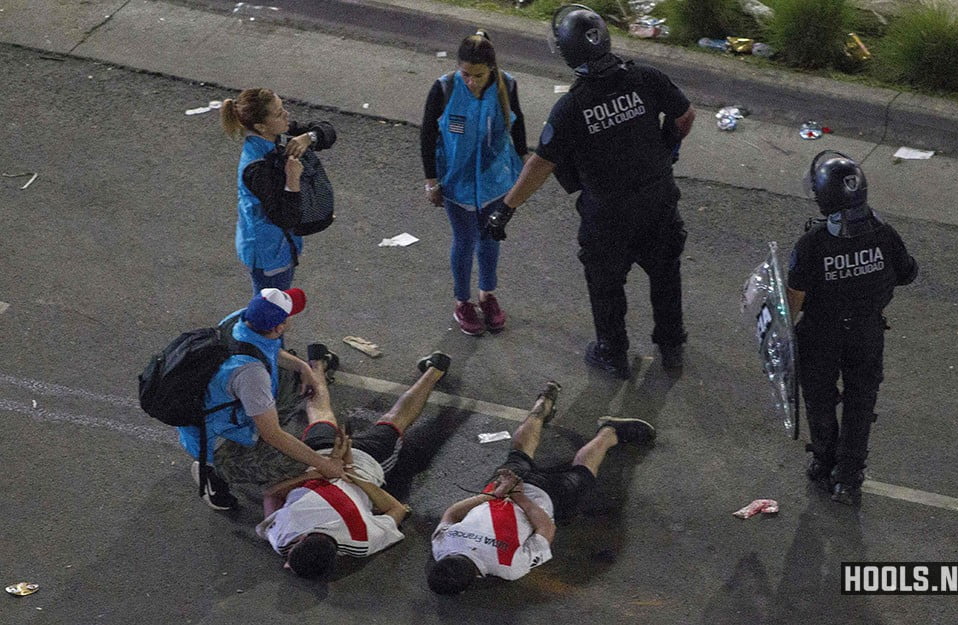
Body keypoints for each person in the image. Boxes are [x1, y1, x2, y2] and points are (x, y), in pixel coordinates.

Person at [482, 5, 696, 378]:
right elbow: (684, 116)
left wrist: (507, 206)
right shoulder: (646, 78)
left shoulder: (572, 108)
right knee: (665, 273)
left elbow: (541, 165)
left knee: (606, 284)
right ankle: (672, 345)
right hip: (659, 199)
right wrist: (667, 150)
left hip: (609, 214)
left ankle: (612, 353)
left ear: (568, 52)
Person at [427, 381, 657, 594]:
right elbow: (453, 513)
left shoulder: (509, 568)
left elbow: (546, 529)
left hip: (542, 495)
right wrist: (494, 495)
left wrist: (514, 497)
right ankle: (542, 404)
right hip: (502, 485)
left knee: (582, 473)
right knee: (519, 452)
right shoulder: (441, 547)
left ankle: (610, 432)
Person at [786, 151, 918, 505]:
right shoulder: (884, 234)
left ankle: (823, 461)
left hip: (819, 334)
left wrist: (784, 334)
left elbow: (794, 295)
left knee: (819, 398)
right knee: (860, 402)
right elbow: (907, 273)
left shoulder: (812, 243)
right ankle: (848, 478)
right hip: (866, 332)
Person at [257, 351, 452, 579]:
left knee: (394, 422)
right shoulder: (282, 537)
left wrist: (351, 476)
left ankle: (435, 369)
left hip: (363, 464)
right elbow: (271, 495)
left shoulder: (362, 542)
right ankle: (317, 362)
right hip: (317, 457)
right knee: (321, 416)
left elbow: (397, 509)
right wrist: (324, 471)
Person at [177, 287, 350, 510]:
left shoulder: (240, 319)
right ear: (279, 328)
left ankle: (269, 415)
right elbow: (272, 435)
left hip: (219, 406)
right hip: (215, 436)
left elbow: (267, 351)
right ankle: (215, 471)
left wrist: (302, 367)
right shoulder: (251, 374)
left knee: (294, 379)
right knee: (296, 462)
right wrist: (324, 465)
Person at [420, 30, 529, 336]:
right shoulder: (444, 88)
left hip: (497, 183)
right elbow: (428, 136)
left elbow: (518, 128)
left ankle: (487, 295)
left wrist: (523, 174)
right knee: (465, 241)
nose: (470, 81)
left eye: (478, 75)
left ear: (491, 70)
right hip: (457, 185)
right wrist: (431, 181)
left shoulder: (507, 84)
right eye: (465, 74)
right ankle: (462, 302)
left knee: (491, 238)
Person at [221, 88, 337, 295]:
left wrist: (308, 137)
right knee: (272, 313)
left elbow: (328, 131)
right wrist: (292, 179)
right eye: (278, 113)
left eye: (282, 107)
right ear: (260, 125)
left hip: (279, 246)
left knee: (272, 309)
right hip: (269, 255)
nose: (287, 115)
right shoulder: (257, 168)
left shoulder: (271, 134)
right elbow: (285, 216)